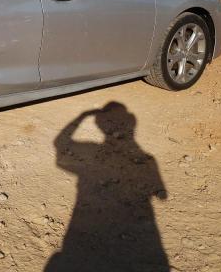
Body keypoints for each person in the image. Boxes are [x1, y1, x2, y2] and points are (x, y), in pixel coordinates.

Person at [46, 102, 169, 272]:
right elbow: (161, 195)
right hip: (138, 236)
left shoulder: (92, 150)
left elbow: (60, 144)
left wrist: (82, 116)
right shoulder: (148, 158)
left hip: (91, 229)